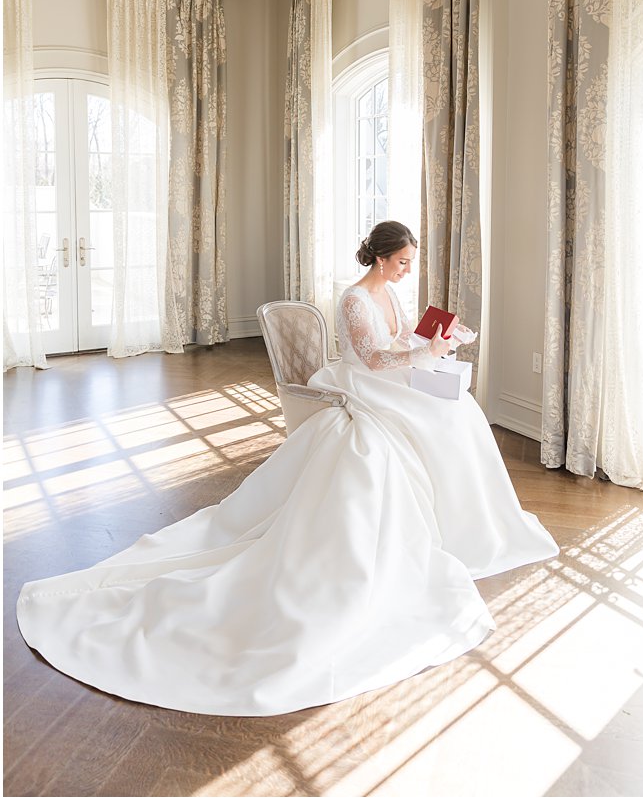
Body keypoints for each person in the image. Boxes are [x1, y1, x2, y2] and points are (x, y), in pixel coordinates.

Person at [15, 220, 558, 716]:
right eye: (402, 262)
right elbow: (371, 359)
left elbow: (398, 341)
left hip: (393, 376)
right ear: (381, 258)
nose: (407, 270)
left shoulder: (390, 293)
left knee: (459, 411)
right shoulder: (353, 300)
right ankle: (445, 522)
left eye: (410, 263)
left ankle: (468, 525)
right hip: (367, 385)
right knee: (437, 420)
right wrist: (421, 354)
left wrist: (434, 341)